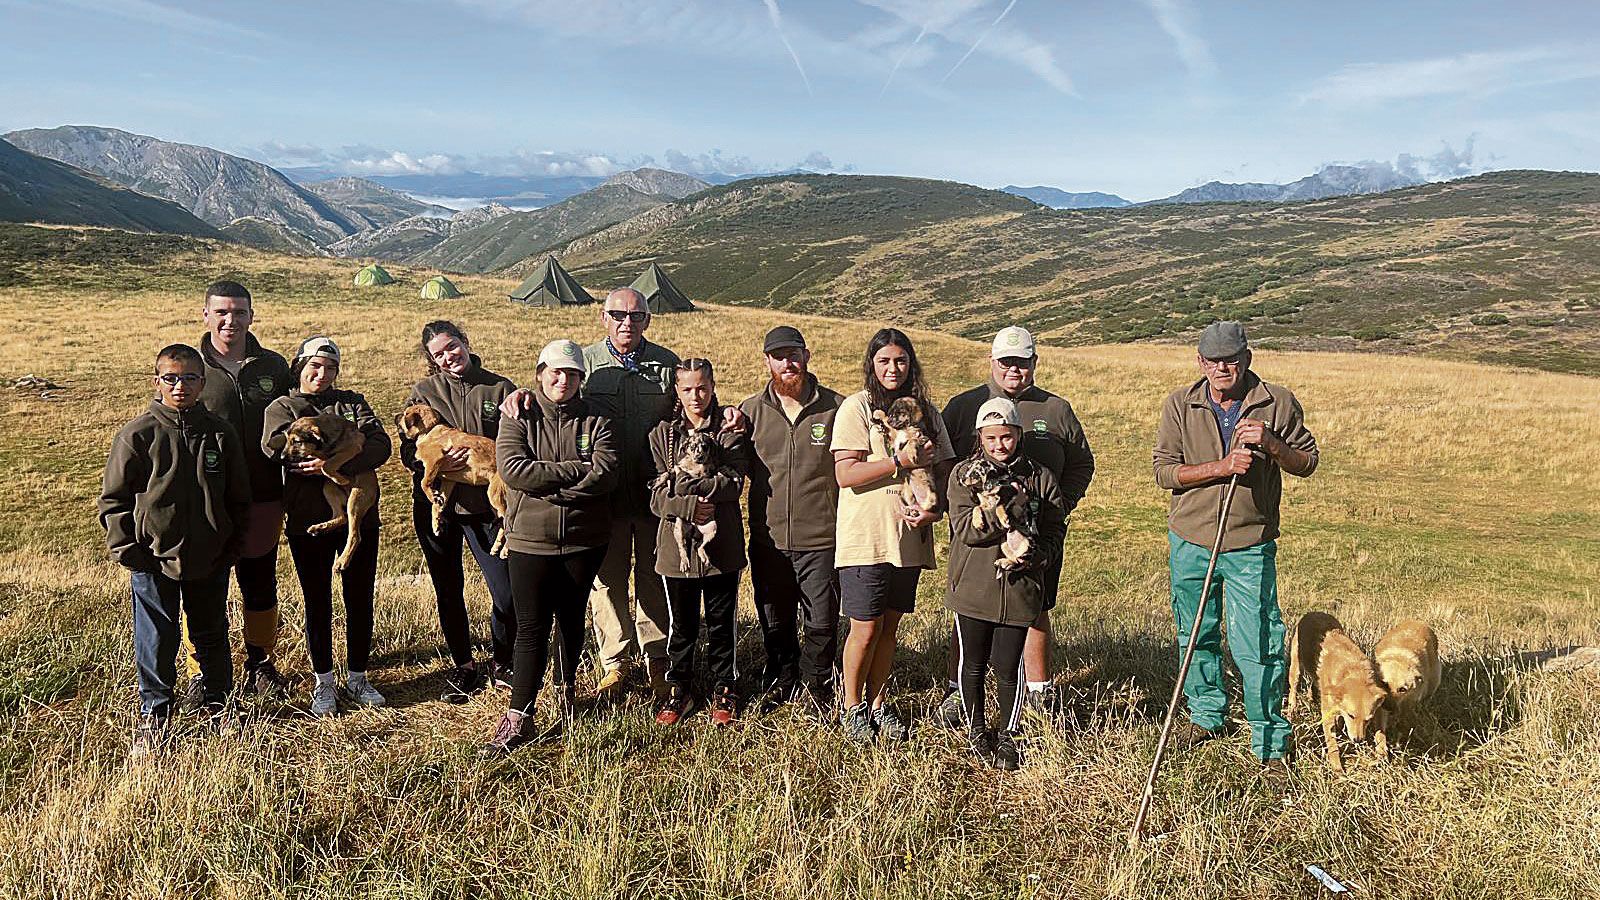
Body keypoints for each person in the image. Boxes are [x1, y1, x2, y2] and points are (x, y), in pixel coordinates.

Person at [500, 287, 744, 700]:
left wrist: (727, 412)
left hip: (657, 495)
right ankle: (615, 662)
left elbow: (693, 402)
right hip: (600, 498)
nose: (626, 322)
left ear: (647, 320)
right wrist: (519, 394)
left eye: (635, 315)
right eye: (617, 314)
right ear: (603, 317)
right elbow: (554, 388)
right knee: (607, 583)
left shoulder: (665, 364)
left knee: (654, 577)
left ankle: (657, 659)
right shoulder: (587, 362)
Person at [1152, 321, 1318, 774]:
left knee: (1258, 640)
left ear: (1246, 359)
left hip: (1249, 542)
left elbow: (1307, 462)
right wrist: (1221, 467)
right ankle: (1208, 716)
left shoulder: (1276, 403)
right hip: (1191, 539)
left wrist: (1271, 444)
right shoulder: (1180, 404)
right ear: (1200, 362)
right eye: (1213, 360)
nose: (1222, 367)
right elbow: (1166, 472)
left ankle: (1270, 740)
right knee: (1195, 634)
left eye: (1231, 359)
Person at [98, 343, 249, 757]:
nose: (180, 386)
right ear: (157, 381)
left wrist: (231, 545)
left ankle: (221, 706)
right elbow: (114, 500)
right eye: (171, 377)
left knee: (212, 633)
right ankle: (156, 716)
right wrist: (129, 550)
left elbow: (239, 497)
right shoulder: (139, 434)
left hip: (211, 557)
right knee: (156, 638)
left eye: (190, 378)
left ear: (203, 382)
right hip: (152, 560)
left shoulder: (220, 433)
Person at [938, 325, 1094, 725]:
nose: (1013, 369)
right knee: (970, 612)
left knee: (1035, 605)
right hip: (977, 540)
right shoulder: (963, 405)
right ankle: (961, 693)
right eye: (1006, 361)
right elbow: (942, 461)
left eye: (1022, 362)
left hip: (1035, 535)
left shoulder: (1055, 409)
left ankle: (1039, 691)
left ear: (1034, 363)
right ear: (991, 362)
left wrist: (1056, 507)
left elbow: (1080, 464)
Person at [483, 340, 619, 756]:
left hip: (584, 538)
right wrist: (576, 473)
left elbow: (607, 470)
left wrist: (552, 482)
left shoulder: (597, 417)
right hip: (530, 539)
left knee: (572, 617)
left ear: (582, 378)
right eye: (556, 372)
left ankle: (566, 692)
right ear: (540, 373)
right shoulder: (518, 415)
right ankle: (519, 713)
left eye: (573, 374)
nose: (564, 381)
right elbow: (514, 471)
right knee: (531, 627)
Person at [831, 328, 955, 744]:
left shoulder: (927, 412)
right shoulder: (856, 408)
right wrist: (898, 461)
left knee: (889, 628)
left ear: (911, 365)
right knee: (863, 628)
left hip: (908, 536)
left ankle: (880, 705)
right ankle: (852, 708)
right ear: (872, 364)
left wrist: (934, 510)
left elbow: (944, 469)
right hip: (865, 536)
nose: (893, 368)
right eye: (884, 361)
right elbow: (846, 474)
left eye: (900, 361)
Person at [263, 337, 392, 718]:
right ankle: (324, 682)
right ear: (299, 366)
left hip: (359, 517)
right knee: (317, 602)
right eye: (314, 366)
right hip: (306, 520)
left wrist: (333, 465)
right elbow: (274, 450)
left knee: (360, 598)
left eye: (330, 368)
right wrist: (312, 459)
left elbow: (380, 444)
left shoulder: (352, 403)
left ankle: (358, 677)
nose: (322, 374)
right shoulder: (283, 407)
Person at [945, 398, 1067, 770]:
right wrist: (1009, 508)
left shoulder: (1041, 476)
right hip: (974, 588)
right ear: (980, 437)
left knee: (1008, 666)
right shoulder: (965, 476)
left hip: (1021, 586)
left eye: (1008, 436)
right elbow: (966, 530)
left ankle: (1009, 735)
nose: (1000, 445)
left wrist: (1040, 554)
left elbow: (1054, 526)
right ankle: (978, 730)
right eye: (992, 437)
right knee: (972, 664)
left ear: (1019, 435)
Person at [400, 321, 518, 703]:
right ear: (432, 360)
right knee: (448, 588)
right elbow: (407, 450)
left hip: (485, 507)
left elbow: (518, 443)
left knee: (505, 592)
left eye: (452, 347)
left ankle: (503, 662)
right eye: (439, 354)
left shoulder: (499, 388)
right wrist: (433, 467)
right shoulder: (424, 393)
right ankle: (464, 666)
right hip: (440, 507)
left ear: (465, 343)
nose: (449, 357)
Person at [738, 325, 846, 714]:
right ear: (767, 361)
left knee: (822, 618)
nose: (788, 362)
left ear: (807, 356)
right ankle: (782, 678)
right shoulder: (750, 412)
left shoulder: (836, 407)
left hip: (821, 537)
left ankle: (818, 685)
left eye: (794, 353)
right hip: (769, 538)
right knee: (774, 614)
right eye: (779, 356)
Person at [195, 280, 292, 700]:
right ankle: (203, 670)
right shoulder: (190, 368)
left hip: (265, 495)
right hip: (206, 500)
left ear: (252, 316)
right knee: (202, 587)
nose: (230, 320)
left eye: (239, 312)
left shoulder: (273, 366)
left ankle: (260, 663)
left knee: (260, 582)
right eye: (222, 312)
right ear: (206, 315)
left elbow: (296, 419)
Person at [649, 358, 752, 726]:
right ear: (676, 391)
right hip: (676, 549)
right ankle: (679, 688)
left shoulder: (728, 428)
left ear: (712, 386)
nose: (696, 396)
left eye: (702, 388)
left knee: (723, 620)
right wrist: (692, 504)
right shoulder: (662, 434)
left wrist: (686, 487)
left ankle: (726, 685)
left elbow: (734, 483)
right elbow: (657, 497)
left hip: (721, 545)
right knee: (682, 624)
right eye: (688, 389)